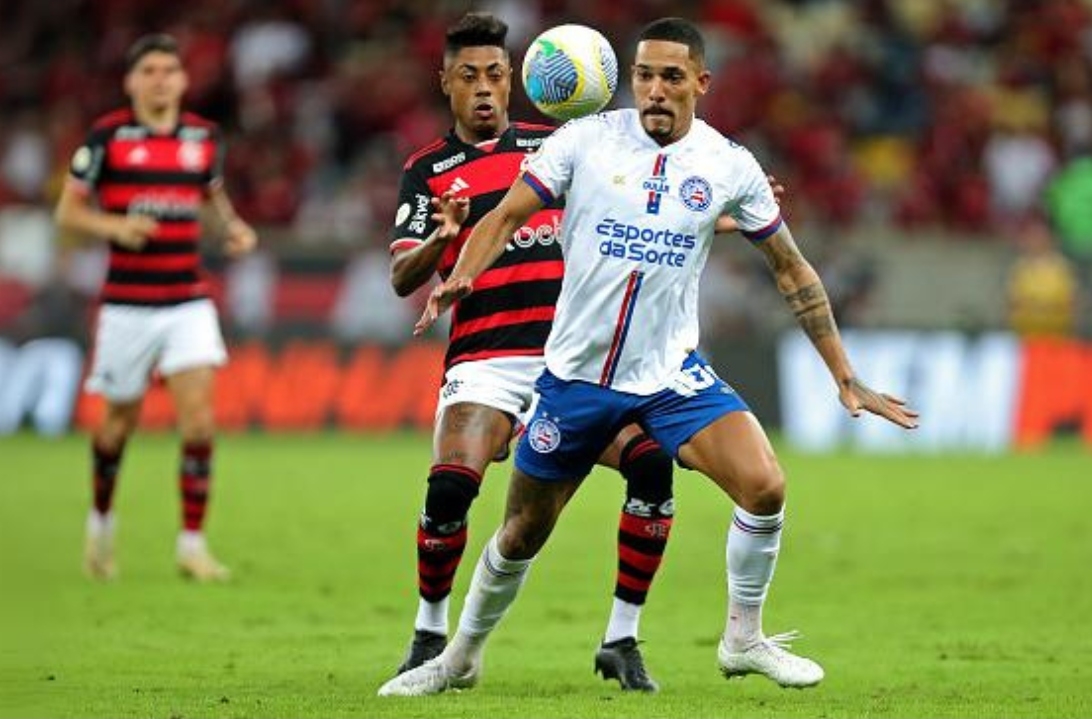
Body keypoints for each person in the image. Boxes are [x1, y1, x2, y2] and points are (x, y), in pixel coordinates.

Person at [378, 17, 918, 697]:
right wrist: (460, 276)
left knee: (766, 486)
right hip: (574, 379)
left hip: (670, 376)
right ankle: (457, 654)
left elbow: (793, 271)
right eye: (643, 75)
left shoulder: (729, 164)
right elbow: (507, 216)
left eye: (669, 75)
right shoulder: (585, 140)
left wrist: (845, 374)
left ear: (701, 82)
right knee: (520, 532)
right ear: (626, 79)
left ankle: (742, 638)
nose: (654, 89)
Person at [383, 12, 680, 692]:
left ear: (514, 78)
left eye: (495, 74)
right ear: (445, 84)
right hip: (486, 356)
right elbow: (403, 275)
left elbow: (646, 208)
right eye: (469, 77)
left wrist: (723, 212)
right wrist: (441, 238)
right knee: (451, 484)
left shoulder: (561, 145)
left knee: (651, 466)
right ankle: (431, 628)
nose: (484, 89)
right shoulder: (428, 169)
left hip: (575, 361)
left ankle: (622, 638)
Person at [54, 33, 257, 582]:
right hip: (126, 305)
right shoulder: (108, 137)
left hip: (187, 300)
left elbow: (211, 200)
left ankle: (191, 545)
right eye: (150, 71)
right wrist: (114, 225)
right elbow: (68, 215)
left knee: (199, 423)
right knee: (116, 426)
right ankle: (100, 529)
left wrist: (233, 229)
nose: (162, 79)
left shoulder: (203, 136)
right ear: (132, 82)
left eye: (170, 70)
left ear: (183, 80)